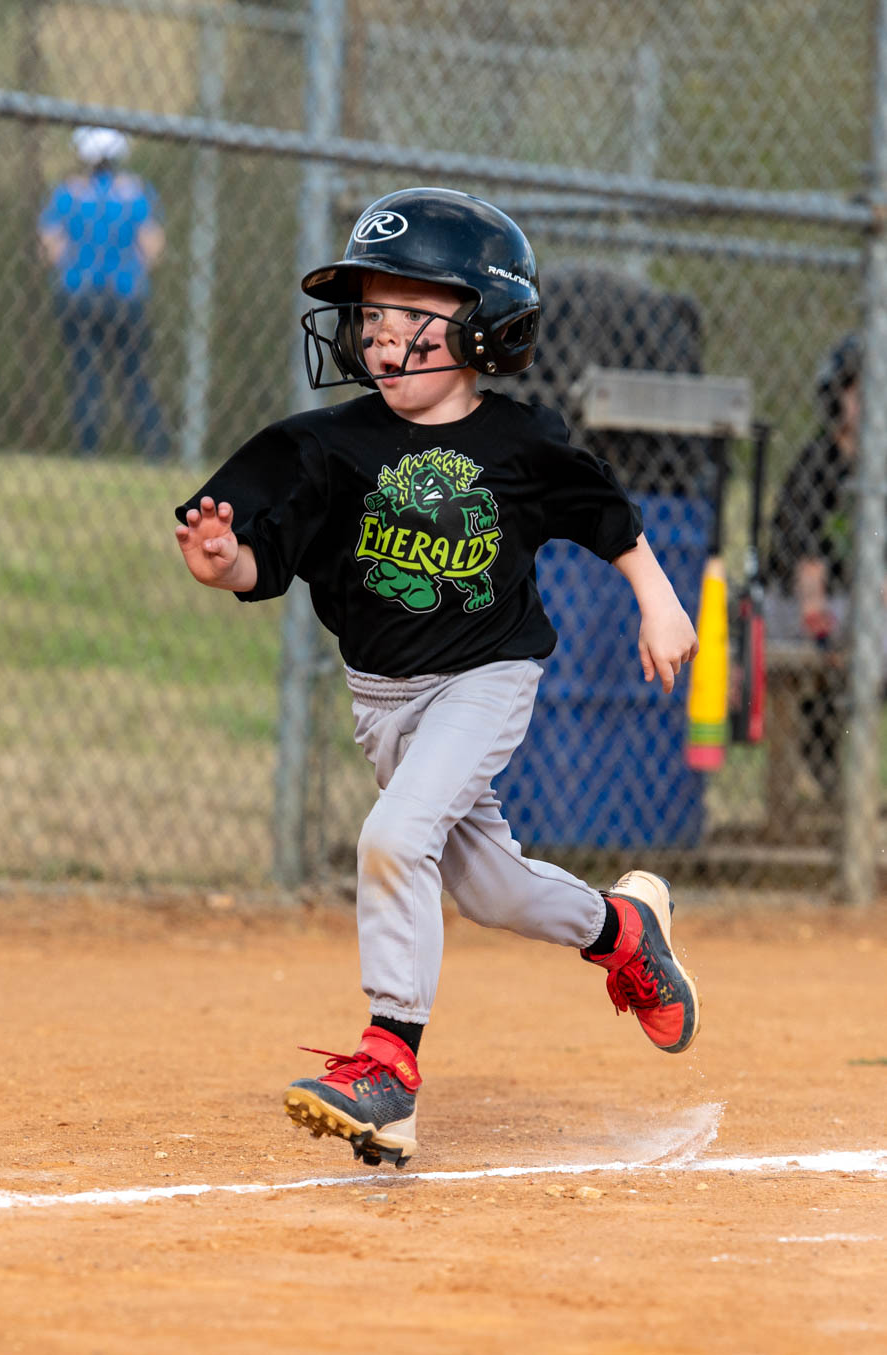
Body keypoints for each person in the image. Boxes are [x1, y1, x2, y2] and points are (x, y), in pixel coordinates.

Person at [174, 188, 701, 1170]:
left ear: (486, 324)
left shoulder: (520, 441)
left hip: (486, 676)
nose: (381, 333)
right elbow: (265, 557)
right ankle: (623, 928)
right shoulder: (331, 448)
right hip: (384, 698)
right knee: (491, 890)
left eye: (412, 310)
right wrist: (226, 561)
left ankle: (388, 1066)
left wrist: (657, 600)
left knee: (393, 836)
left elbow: (605, 515)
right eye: (371, 311)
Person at [764, 333, 886, 795]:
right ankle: (835, 777)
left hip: (863, 612)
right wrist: (823, 624)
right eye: (859, 393)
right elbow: (805, 568)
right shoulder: (817, 465)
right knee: (852, 632)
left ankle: (852, 792)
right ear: (836, 399)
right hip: (801, 607)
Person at [38, 126, 170, 460]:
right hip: (126, 295)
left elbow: (50, 248)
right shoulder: (136, 194)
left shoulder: (68, 194)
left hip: (78, 294)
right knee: (135, 375)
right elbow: (153, 247)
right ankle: (155, 452)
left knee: (85, 373)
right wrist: (129, 267)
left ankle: (89, 451)